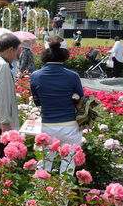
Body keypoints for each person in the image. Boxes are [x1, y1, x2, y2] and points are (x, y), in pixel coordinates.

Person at [30, 36, 84, 174]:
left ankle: (41, 191)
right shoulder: (73, 76)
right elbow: (81, 98)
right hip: (70, 125)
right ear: (64, 54)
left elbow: (37, 102)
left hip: (48, 124)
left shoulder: (36, 76)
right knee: (68, 164)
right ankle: (64, 193)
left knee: (44, 163)